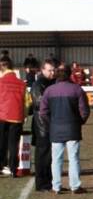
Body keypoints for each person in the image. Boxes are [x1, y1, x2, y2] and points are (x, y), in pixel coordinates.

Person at [39, 62, 90, 193]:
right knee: (73, 158)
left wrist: (51, 124)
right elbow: (84, 110)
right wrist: (79, 122)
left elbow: (43, 112)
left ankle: (56, 186)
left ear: (57, 75)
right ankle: (75, 186)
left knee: (56, 159)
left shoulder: (49, 91)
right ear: (69, 74)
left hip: (55, 129)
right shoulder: (77, 89)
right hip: (73, 128)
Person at [29, 58, 56, 190]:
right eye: (50, 70)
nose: (52, 73)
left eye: (53, 70)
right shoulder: (38, 85)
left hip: (50, 123)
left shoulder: (52, 83)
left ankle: (49, 181)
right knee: (42, 155)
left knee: (50, 156)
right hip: (42, 125)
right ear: (43, 70)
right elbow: (39, 103)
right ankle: (41, 183)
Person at [0, 56, 27, 177]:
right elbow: (27, 102)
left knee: (1, 142)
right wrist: (24, 115)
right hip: (16, 117)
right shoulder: (21, 84)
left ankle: (1, 166)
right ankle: (13, 169)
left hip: (2, 115)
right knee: (13, 144)